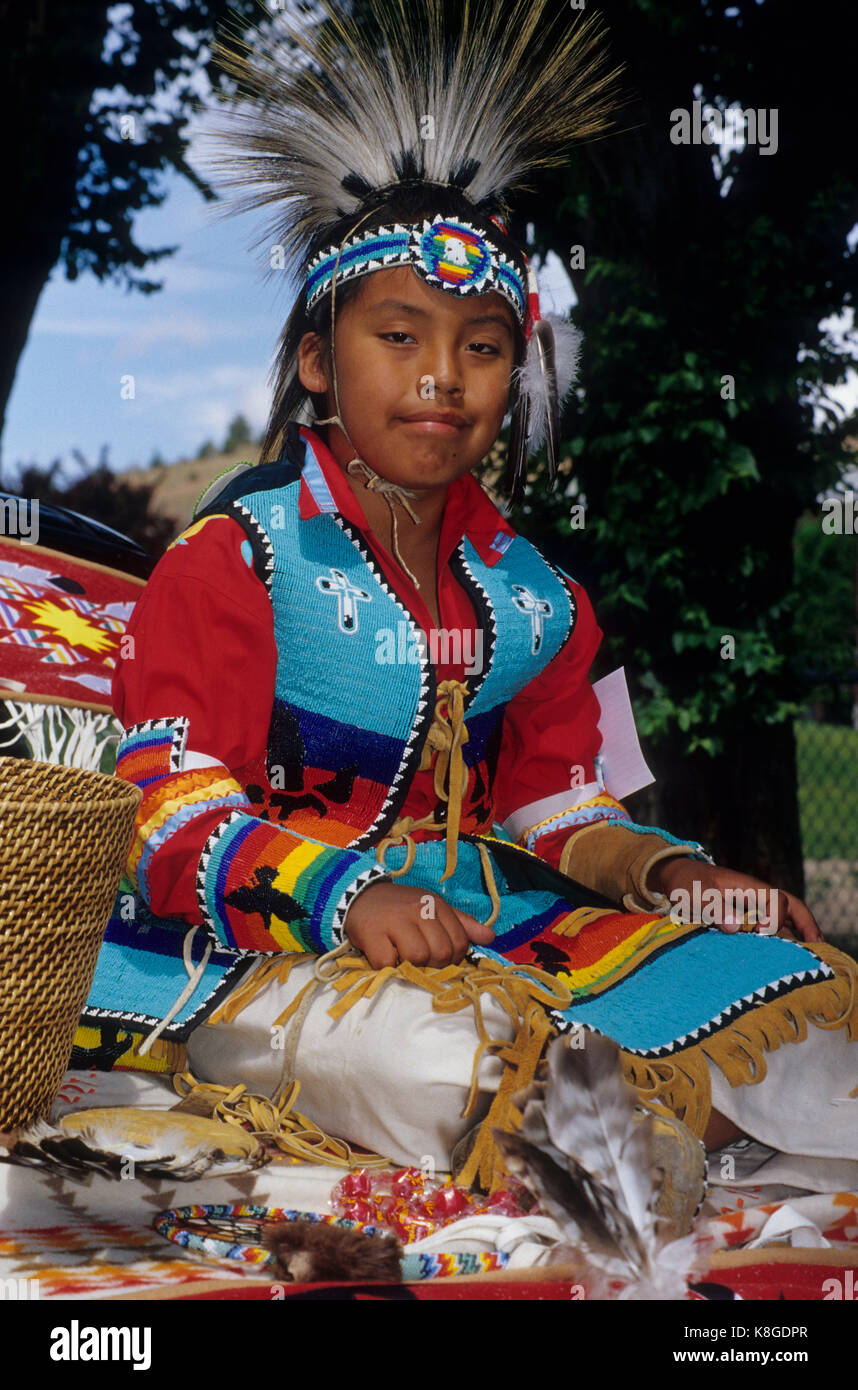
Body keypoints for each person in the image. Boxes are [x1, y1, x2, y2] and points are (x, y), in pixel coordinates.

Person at [75, 0, 858, 1190]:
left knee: (799, 1003)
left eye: (483, 346)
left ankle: (654, 1131)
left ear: (516, 370)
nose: (444, 376)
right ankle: (627, 1140)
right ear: (319, 362)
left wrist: (672, 876)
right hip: (257, 947)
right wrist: (344, 892)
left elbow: (557, 811)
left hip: (488, 927)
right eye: (401, 336)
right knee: (476, 1063)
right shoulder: (240, 555)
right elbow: (158, 813)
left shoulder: (536, 599)